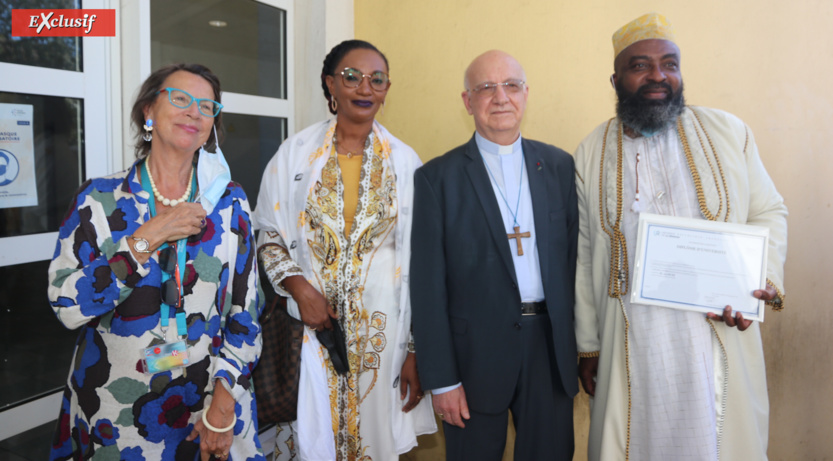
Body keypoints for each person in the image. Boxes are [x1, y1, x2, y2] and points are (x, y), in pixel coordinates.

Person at [574, 13, 788, 461]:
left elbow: (767, 210)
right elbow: (585, 252)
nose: (658, 76)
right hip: (633, 338)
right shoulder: (591, 151)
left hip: (715, 331)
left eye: (669, 64)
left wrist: (761, 280)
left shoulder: (729, 132)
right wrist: (589, 345)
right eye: (641, 66)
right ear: (615, 79)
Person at [47, 63, 264, 461]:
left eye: (207, 106)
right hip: (114, 411)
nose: (194, 112)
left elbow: (246, 311)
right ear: (148, 111)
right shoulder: (99, 199)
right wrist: (148, 238)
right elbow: (67, 306)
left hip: (207, 402)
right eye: (180, 99)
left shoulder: (229, 202)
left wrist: (224, 399)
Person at [253, 39, 436, 460]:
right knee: (311, 436)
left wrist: (413, 351)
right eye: (352, 77)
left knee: (374, 440)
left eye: (377, 79)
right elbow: (267, 231)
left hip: (383, 338)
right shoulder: (294, 156)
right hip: (311, 332)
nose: (364, 88)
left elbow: (423, 262)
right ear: (330, 85)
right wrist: (298, 287)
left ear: (387, 89)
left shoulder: (407, 163)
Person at [410, 50, 578, 460]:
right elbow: (427, 286)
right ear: (468, 102)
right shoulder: (437, 178)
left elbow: (575, 259)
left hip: (549, 350)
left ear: (525, 95)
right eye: (486, 88)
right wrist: (443, 380)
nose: (500, 97)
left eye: (511, 86)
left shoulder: (558, 165)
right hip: (473, 357)